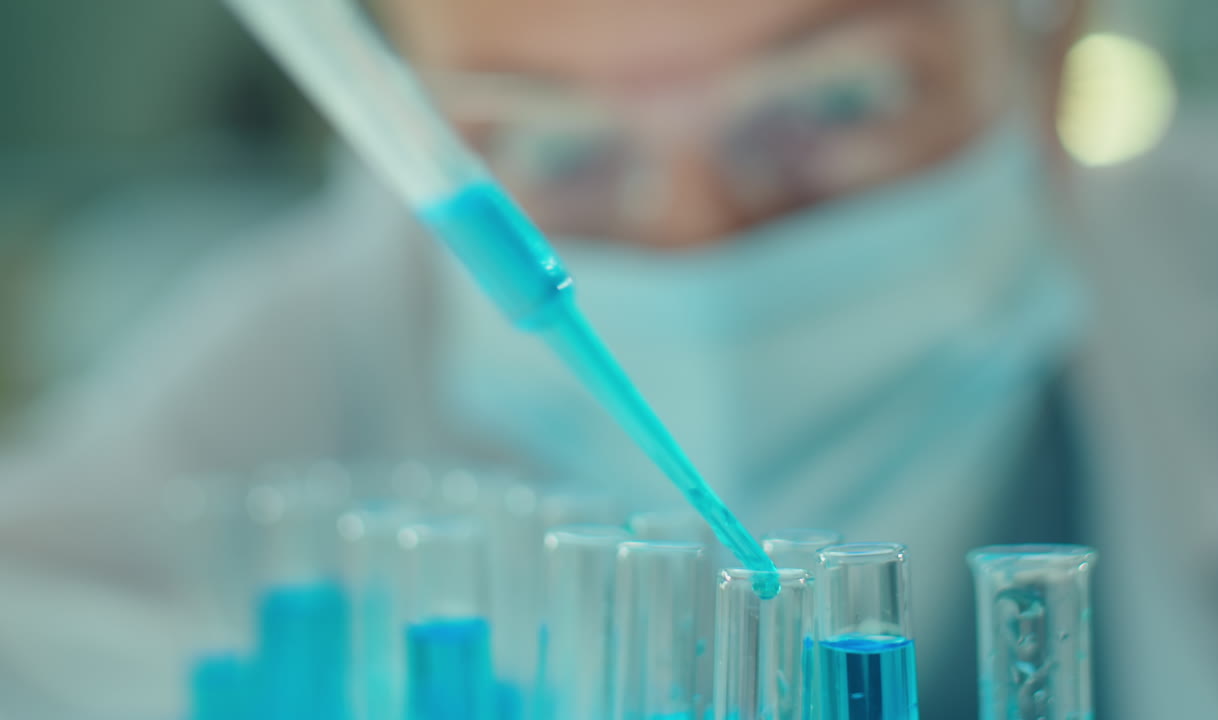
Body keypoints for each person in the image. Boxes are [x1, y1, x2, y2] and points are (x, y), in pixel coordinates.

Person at [0, 0, 1098, 718]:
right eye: (552, 141)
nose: (694, 235)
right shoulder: (308, 329)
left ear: (1047, 51)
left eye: (837, 100)